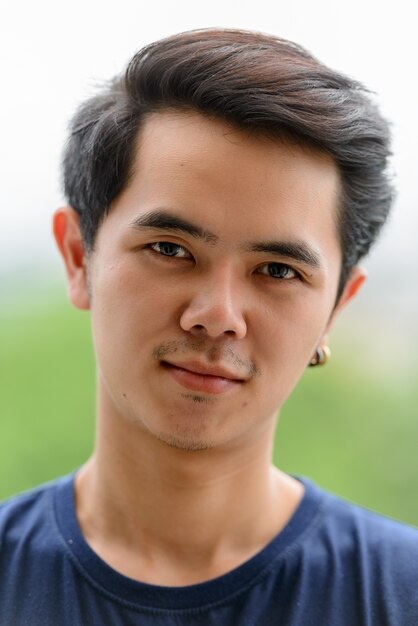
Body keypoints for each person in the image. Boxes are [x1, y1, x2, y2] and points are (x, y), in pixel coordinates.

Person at [1, 27, 417, 626]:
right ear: (78, 258)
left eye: (278, 270)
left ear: (336, 310)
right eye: (170, 249)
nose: (218, 315)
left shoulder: (401, 595)